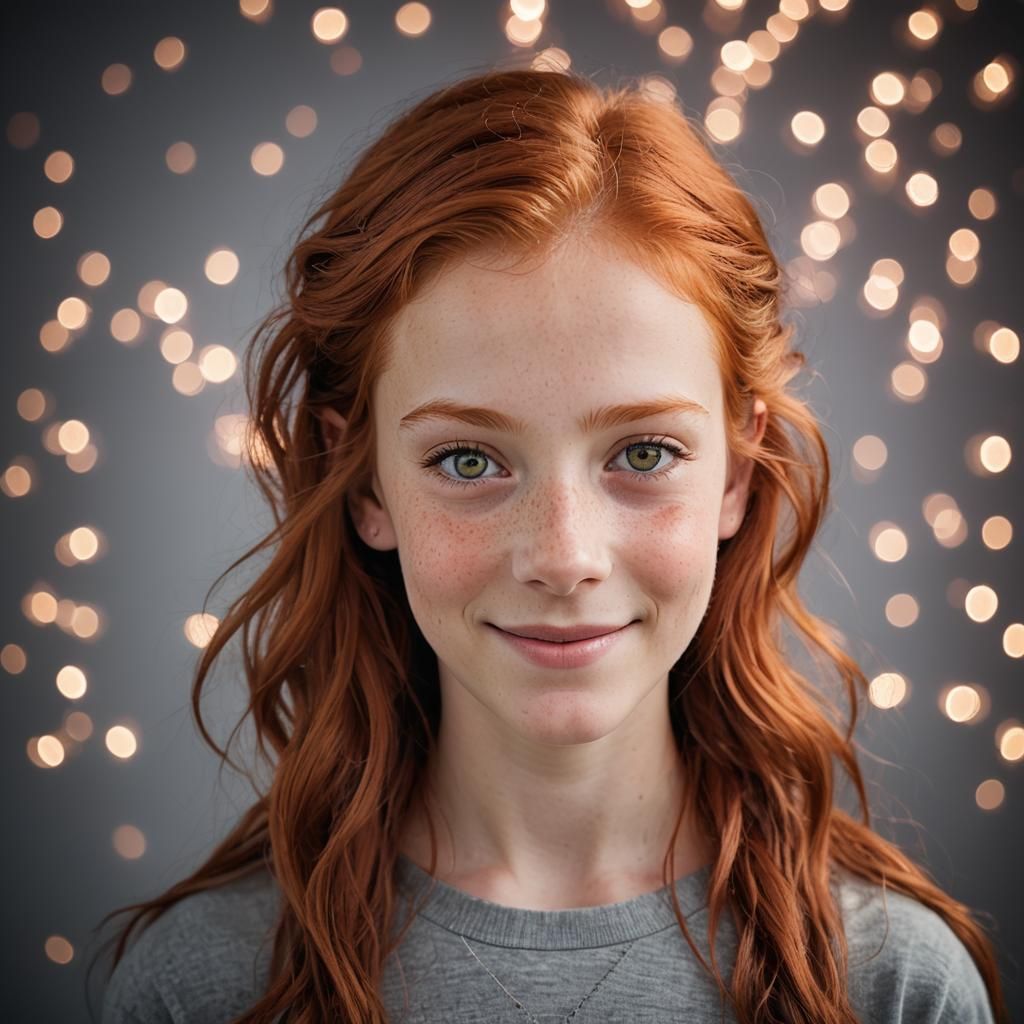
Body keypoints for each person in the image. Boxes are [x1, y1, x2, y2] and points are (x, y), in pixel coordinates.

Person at [93, 66, 1007, 1023]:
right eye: (468, 461)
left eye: (644, 452)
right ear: (364, 480)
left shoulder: (892, 985)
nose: (564, 555)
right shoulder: (204, 989)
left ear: (736, 472)